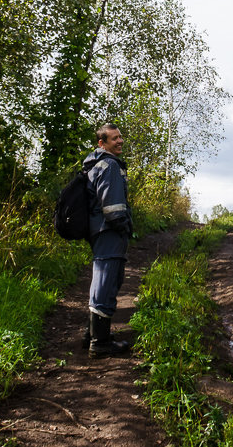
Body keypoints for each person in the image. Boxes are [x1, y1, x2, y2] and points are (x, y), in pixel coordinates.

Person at [81, 123, 133, 357]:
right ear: (101, 143)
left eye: (120, 137)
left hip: (99, 231)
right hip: (109, 231)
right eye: (114, 138)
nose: (120, 141)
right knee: (106, 282)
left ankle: (92, 334)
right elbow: (112, 208)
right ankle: (99, 343)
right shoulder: (109, 165)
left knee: (103, 280)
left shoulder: (96, 164)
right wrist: (123, 227)